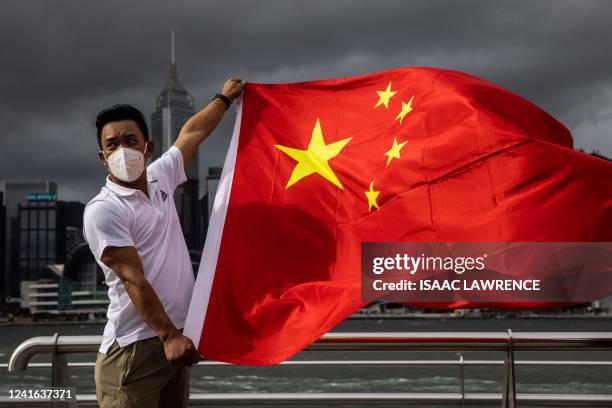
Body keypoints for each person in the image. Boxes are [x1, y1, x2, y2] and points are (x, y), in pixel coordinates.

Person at [83, 78, 245, 407]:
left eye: (130, 140)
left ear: (148, 147)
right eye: (112, 145)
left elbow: (192, 133)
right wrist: (169, 335)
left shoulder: (160, 176)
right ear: (102, 157)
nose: (122, 150)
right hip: (135, 351)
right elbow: (132, 278)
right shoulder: (103, 210)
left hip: (176, 341)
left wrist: (224, 98)